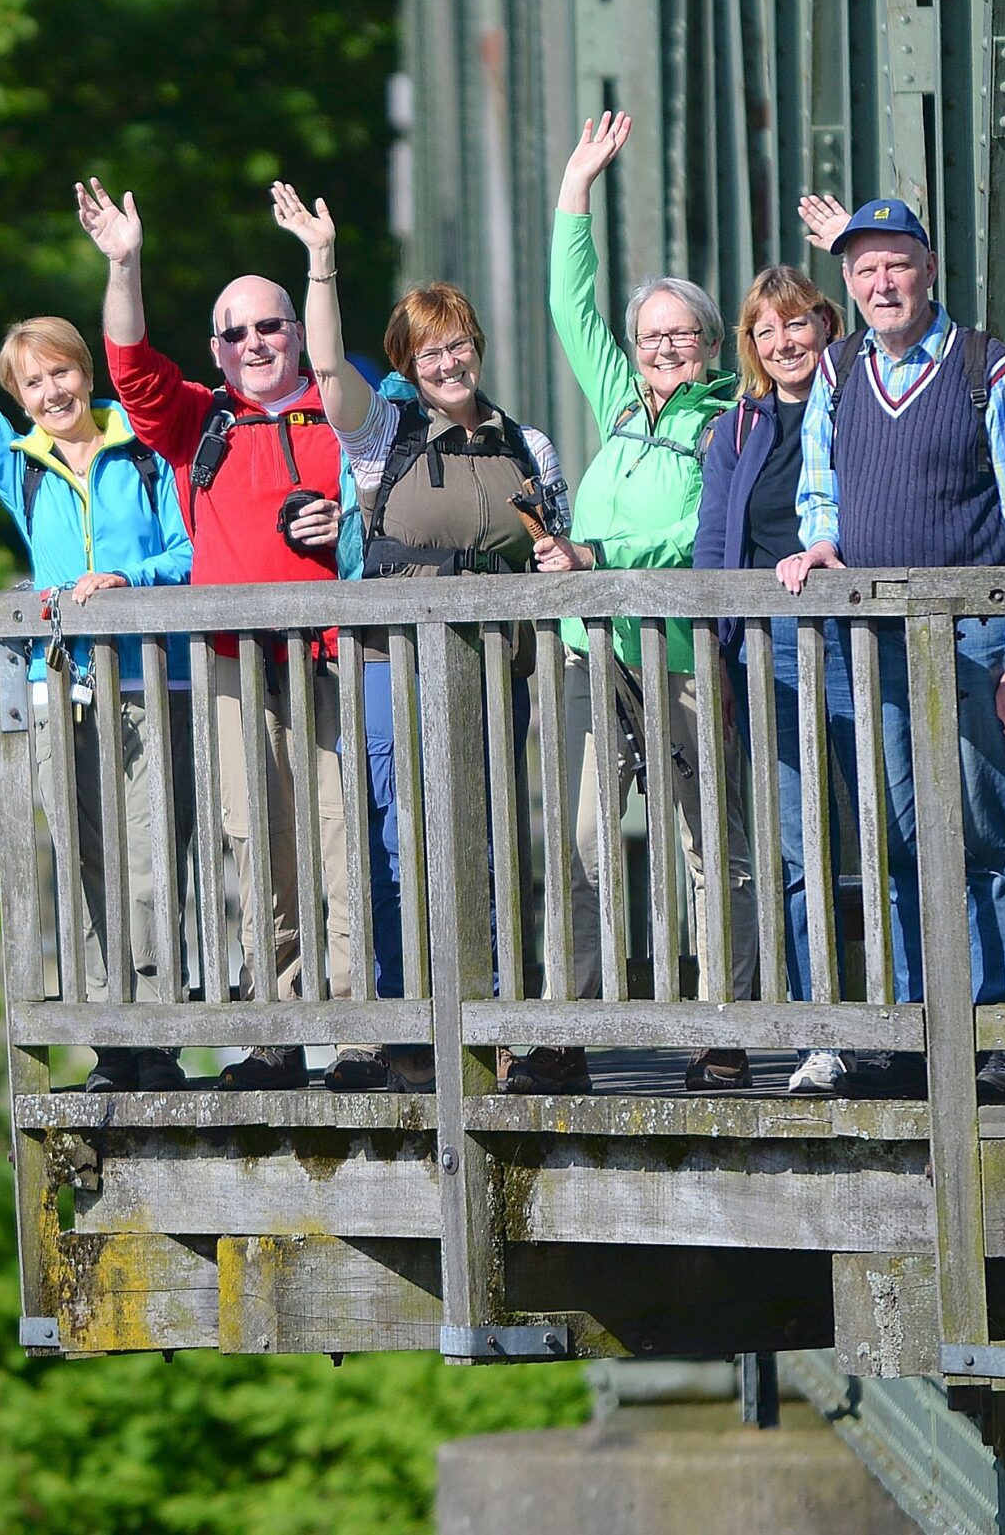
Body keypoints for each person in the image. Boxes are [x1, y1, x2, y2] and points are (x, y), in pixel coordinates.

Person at [0, 198, 193, 1093]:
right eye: (33, 385)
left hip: (148, 686)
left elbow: (187, 551)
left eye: (61, 375)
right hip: (66, 692)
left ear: (82, 373)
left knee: (145, 859)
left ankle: (157, 1035)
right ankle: (112, 1040)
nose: (52, 394)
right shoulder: (21, 463)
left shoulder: (141, 447)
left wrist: (131, 585)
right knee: (85, 862)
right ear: (19, 398)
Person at [272, 183, 570, 1091]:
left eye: (461, 343)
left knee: (486, 837)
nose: (451, 361)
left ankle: (490, 1016)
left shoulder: (530, 443)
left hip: (493, 670)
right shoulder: (384, 436)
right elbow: (326, 372)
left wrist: (563, 560)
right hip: (391, 665)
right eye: (431, 349)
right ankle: (406, 1022)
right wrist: (321, 264)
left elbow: (554, 543)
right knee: (400, 834)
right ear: (407, 361)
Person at [76, 177, 366, 1092]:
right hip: (237, 666)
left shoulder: (346, 412)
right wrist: (126, 263)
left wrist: (344, 524)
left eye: (269, 326)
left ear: (296, 332)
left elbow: (389, 515)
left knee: (343, 842)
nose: (255, 343)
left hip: (335, 661)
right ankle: (276, 1034)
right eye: (236, 332)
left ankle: (358, 1034)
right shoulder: (199, 419)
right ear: (216, 348)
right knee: (259, 845)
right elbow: (125, 364)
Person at [776, 195, 1005, 1102]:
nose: (881, 282)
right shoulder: (839, 369)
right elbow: (818, 483)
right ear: (847, 285)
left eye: (897, 263)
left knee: (983, 833)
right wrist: (820, 537)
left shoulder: (987, 368)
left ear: (929, 269)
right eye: (863, 270)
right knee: (891, 835)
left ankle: (1000, 1028)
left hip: (973, 639)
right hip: (878, 643)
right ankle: (905, 1029)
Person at [519, 111, 759, 1097]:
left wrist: (598, 551)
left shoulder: (732, 419)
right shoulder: (618, 400)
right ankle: (564, 1027)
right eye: (650, 334)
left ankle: (723, 1026)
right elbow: (571, 306)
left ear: (710, 344)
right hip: (595, 652)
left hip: (680, 651)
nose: (663, 346)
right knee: (579, 840)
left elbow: (702, 533)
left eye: (681, 333)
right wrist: (575, 187)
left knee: (713, 842)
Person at [694, 266, 848, 1094]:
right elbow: (713, 548)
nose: (784, 342)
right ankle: (818, 1033)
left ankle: (909, 1026)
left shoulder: (859, 399)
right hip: (770, 650)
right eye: (766, 330)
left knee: (889, 835)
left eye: (798, 324)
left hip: (864, 639)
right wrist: (716, 653)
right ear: (750, 346)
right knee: (795, 848)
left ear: (826, 325)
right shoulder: (737, 427)